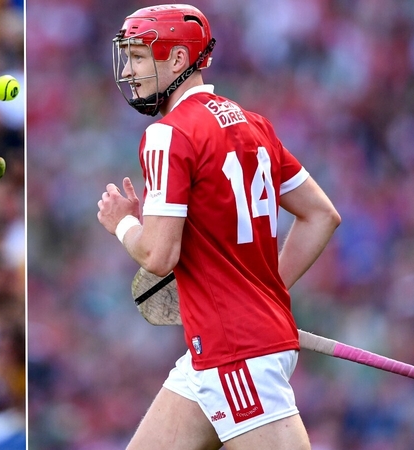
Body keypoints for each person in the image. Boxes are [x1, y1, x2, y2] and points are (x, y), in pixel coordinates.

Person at [97, 5, 341, 450]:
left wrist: (122, 223)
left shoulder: (168, 134)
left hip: (237, 353)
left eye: (137, 56)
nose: (129, 71)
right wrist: (263, 295)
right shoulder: (255, 125)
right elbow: (321, 215)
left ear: (176, 60)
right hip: (214, 351)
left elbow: (158, 255)